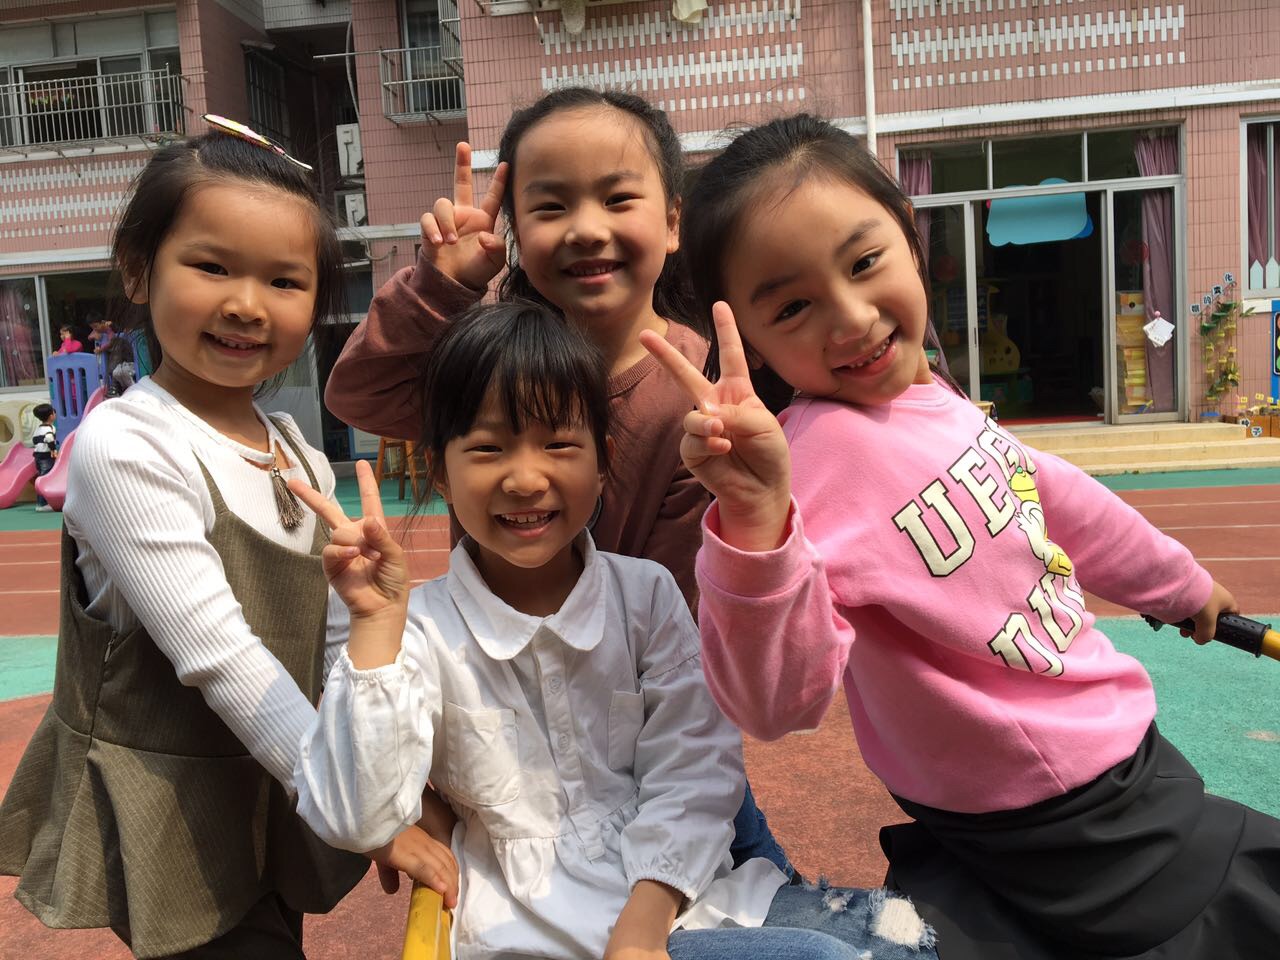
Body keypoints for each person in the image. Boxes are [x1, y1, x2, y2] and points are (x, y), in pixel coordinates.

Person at [640, 113, 1280, 960]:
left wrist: (1179, 584)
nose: (851, 318)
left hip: (1109, 747)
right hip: (1045, 809)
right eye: (792, 307)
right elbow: (774, 705)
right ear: (749, 341)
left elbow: (1056, 495)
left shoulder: (927, 395)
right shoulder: (814, 459)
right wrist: (758, 521)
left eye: (864, 263)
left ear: (910, 239)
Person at [291, 301, 938, 960]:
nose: (525, 478)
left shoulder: (644, 596)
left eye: (558, 444)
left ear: (602, 461)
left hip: (678, 901)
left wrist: (645, 921)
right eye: (487, 449)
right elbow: (354, 815)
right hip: (535, 931)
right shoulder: (419, 631)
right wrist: (374, 624)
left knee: (907, 941)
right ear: (440, 473)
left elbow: (694, 768)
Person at [322, 86, 793, 879]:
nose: (586, 227)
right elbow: (359, 395)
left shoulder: (701, 398)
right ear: (512, 233)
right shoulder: (484, 355)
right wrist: (442, 288)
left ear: (672, 221)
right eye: (549, 206)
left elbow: (676, 624)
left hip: (641, 734)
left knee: (754, 884)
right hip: (505, 723)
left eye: (618, 198)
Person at [0, 123, 383, 959]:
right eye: (211, 267)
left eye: (284, 280)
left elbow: (332, 636)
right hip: (169, 802)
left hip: (274, 779)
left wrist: (383, 762)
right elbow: (221, 655)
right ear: (139, 270)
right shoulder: (128, 444)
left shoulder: (295, 448)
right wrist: (365, 810)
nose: (247, 304)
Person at [30, 402, 57, 512]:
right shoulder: (49, 429)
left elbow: (34, 440)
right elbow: (50, 439)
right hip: (46, 456)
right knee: (45, 478)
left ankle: (42, 502)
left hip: (38, 456)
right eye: (54, 412)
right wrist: (53, 451)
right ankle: (42, 504)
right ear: (51, 416)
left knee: (41, 477)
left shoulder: (38, 429)